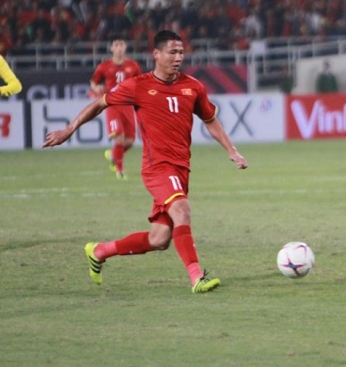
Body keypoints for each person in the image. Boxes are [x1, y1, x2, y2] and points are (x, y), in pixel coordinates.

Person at [43, 30, 248, 294]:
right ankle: (197, 277)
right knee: (182, 210)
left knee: (159, 239)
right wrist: (69, 129)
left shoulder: (193, 87)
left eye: (181, 52)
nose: (178, 57)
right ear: (157, 54)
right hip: (157, 168)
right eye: (172, 52)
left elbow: (210, 120)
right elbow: (100, 103)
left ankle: (99, 251)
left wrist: (232, 151)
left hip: (181, 169)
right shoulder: (138, 86)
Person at [90, 38, 142, 179]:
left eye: (121, 44)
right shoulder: (104, 66)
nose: (119, 48)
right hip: (112, 105)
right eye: (116, 45)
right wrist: (97, 88)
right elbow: (94, 82)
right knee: (119, 138)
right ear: (111, 48)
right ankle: (120, 170)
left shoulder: (133, 66)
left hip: (128, 105)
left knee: (129, 142)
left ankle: (113, 155)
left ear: (125, 47)